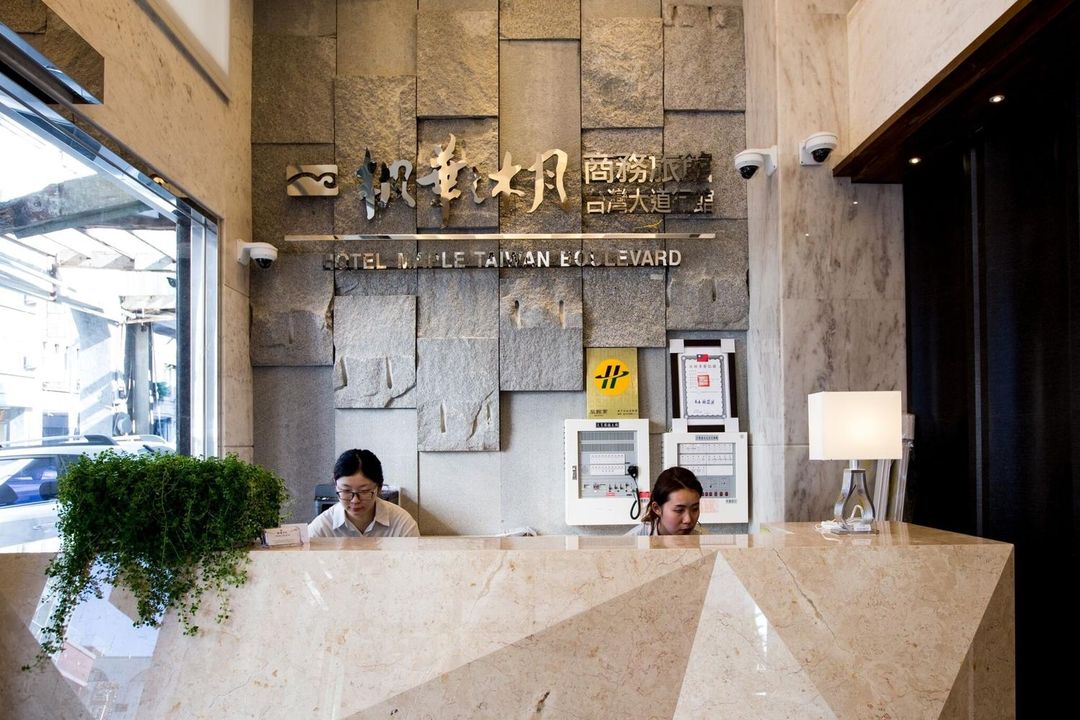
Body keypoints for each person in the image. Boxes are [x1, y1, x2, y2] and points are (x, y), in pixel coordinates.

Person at [308, 449, 419, 538]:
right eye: (346, 491)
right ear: (336, 486)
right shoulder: (322, 528)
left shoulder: (402, 523)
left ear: (379, 488)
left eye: (364, 491)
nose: (355, 500)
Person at [625, 466, 704, 536]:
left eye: (695, 509)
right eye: (679, 510)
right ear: (657, 508)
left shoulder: (703, 538)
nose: (688, 520)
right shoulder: (633, 541)